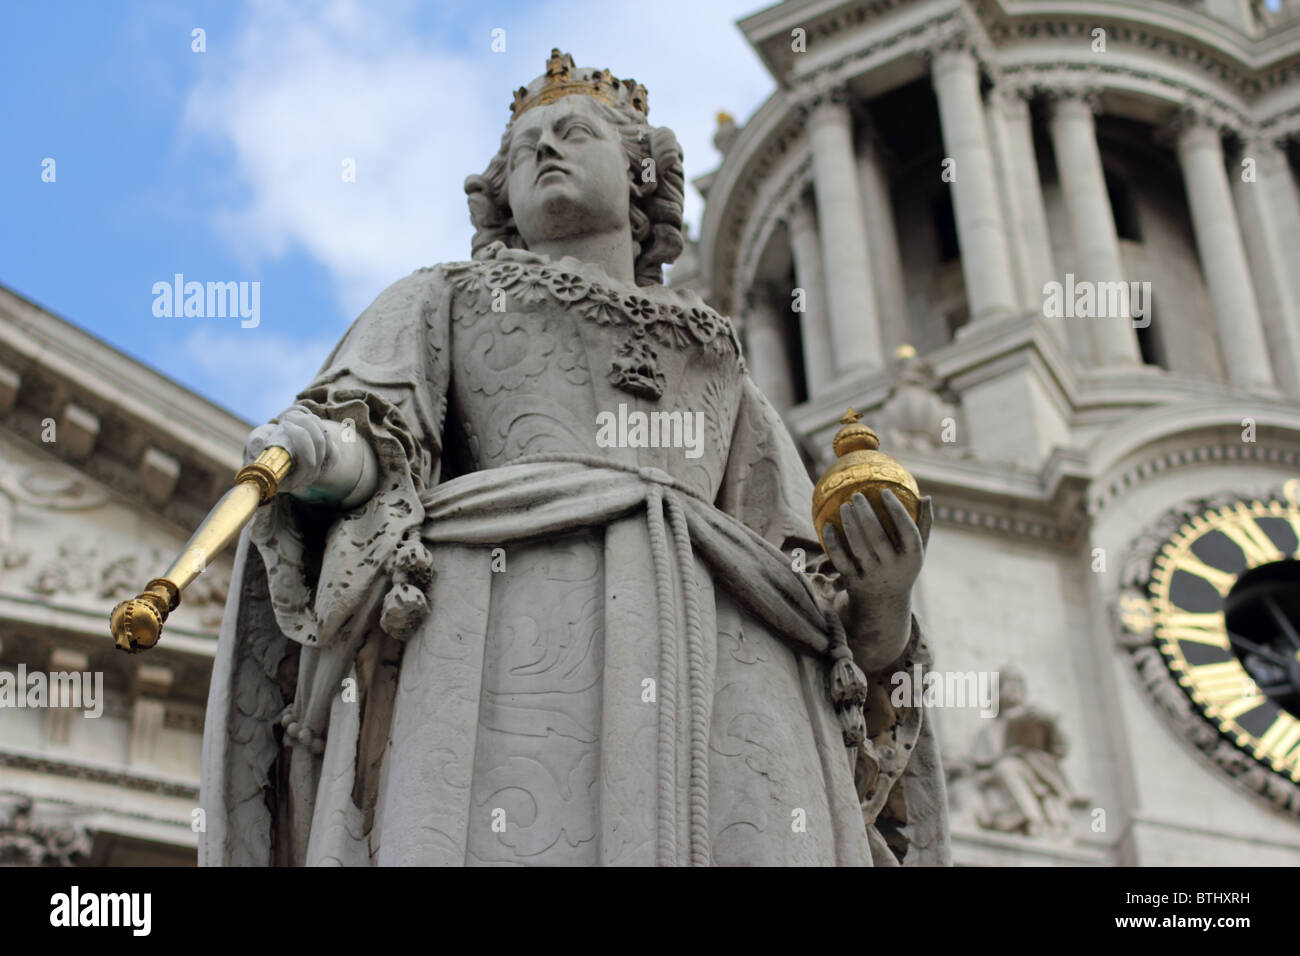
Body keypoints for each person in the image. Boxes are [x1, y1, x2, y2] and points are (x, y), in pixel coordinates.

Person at [200, 50, 950, 866]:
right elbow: (375, 440)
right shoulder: (440, 296)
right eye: (524, 150)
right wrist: (319, 454)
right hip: (497, 626)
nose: (546, 150)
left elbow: (818, 602)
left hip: (733, 676)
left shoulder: (722, 363)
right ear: (503, 198)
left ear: (640, 175)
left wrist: (883, 604)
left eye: (573, 132)